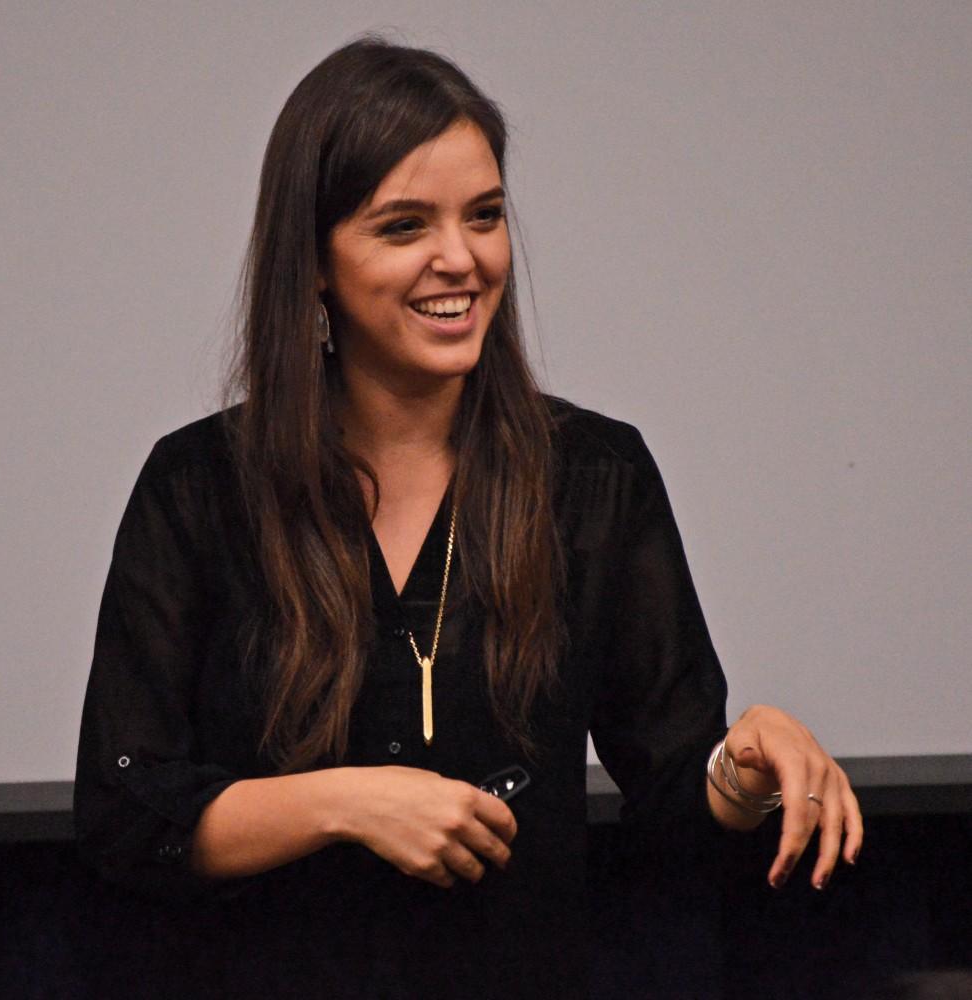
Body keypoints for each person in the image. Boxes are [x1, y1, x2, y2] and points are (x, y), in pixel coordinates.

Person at [73, 37, 863, 999]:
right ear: (314, 262)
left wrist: (742, 769)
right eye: (405, 226)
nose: (462, 258)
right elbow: (124, 813)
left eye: (483, 216)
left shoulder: (595, 478)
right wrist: (345, 802)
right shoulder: (198, 486)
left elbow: (673, 817)